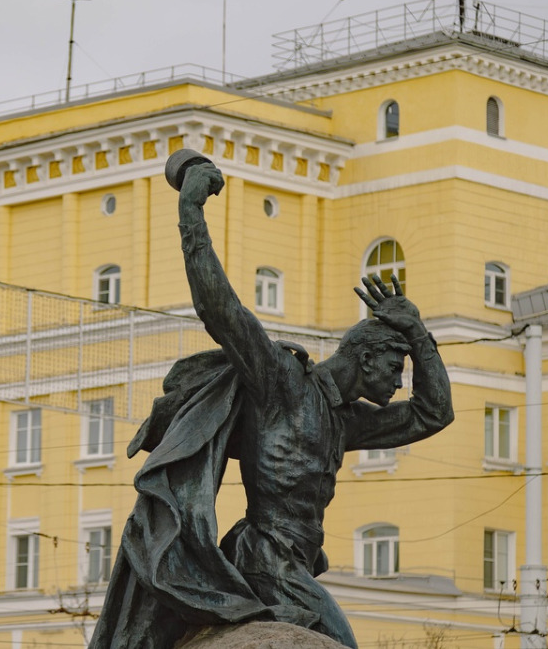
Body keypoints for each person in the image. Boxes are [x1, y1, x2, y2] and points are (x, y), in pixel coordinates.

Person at [89, 162, 454, 649]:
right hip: (267, 557)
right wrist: (190, 210)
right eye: (395, 368)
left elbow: (434, 413)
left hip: (296, 563)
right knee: (341, 641)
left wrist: (416, 334)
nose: (397, 383)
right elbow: (220, 309)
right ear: (366, 357)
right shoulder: (283, 385)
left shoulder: (346, 423)